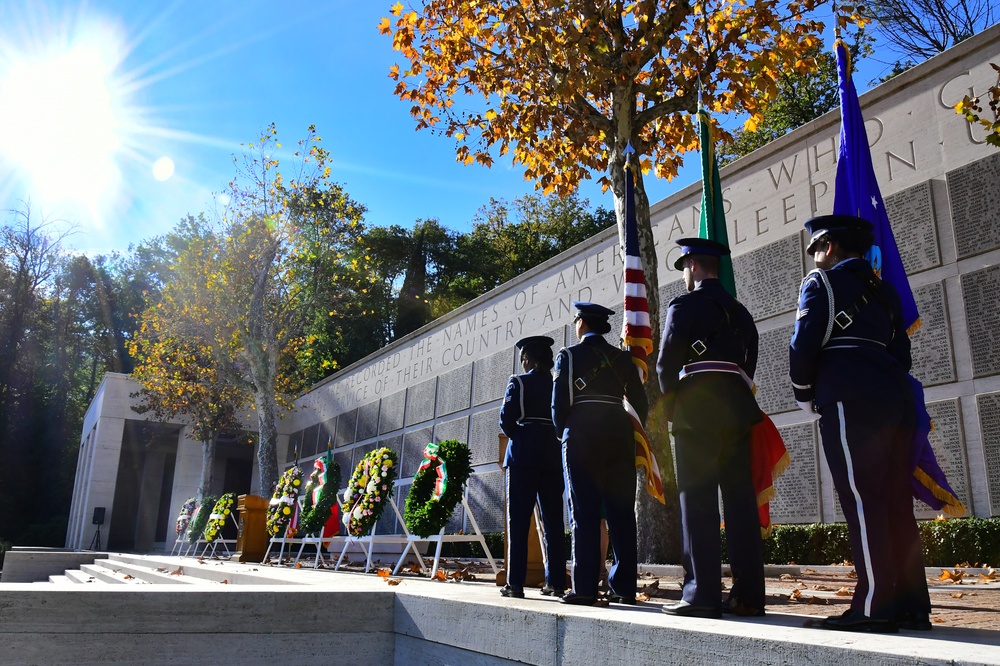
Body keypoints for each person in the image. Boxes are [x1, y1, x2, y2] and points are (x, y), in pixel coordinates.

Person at [790, 214, 930, 633]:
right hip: (896, 403)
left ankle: (873, 607)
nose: (813, 257)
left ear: (829, 247)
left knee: (863, 500)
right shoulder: (883, 291)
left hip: (850, 401)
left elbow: (803, 346)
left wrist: (804, 395)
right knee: (894, 501)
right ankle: (910, 605)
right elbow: (901, 354)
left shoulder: (821, 284)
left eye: (816, 249)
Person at [656, 238, 764, 619]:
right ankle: (749, 595)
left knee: (697, 502)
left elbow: (665, 365)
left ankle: (701, 594)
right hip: (736, 409)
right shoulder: (740, 311)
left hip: (696, 411)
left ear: (692, 267)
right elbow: (749, 360)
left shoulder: (683, 305)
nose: (685, 274)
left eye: (684, 267)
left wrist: (673, 408)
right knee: (740, 504)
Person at [552, 301, 648, 606]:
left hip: (581, 435)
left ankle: (584, 588)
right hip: (619, 435)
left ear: (581, 323)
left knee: (585, 513)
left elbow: (559, 404)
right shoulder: (623, 359)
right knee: (621, 514)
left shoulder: (568, 356)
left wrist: (564, 433)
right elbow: (640, 404)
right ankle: (624, 588)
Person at [498, 335, 567, 599]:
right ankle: (556, 583)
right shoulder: (558, 384)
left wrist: (524, 438)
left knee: (519, 522)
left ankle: (515, 584)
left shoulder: (518, 382)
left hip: (523, 458)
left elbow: (506, 421)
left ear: (529, 358)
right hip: (552, 455)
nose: (522, 362)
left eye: (523, 358)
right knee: (553, 522)